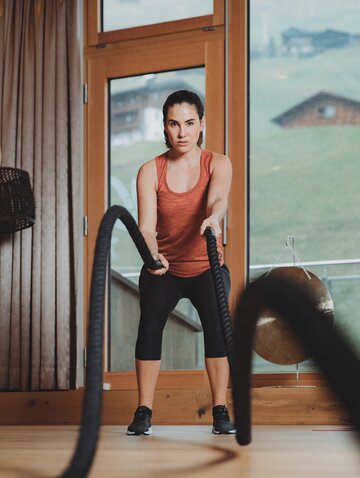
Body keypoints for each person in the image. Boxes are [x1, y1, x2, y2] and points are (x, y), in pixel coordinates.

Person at [126, 90, 234, 436]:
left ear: (201, 124)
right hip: (165, 267)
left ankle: (220, 410)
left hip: (207, 267)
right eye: (175, 124)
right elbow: (145, 226)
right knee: (149, 327)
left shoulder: (218, 163)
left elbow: (218, 199)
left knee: (217, 329)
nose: (183, 132)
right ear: (165, 127)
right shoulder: (149, 171)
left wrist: (214, 219)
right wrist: (151, 254)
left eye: (190, 123)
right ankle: (143, 411)